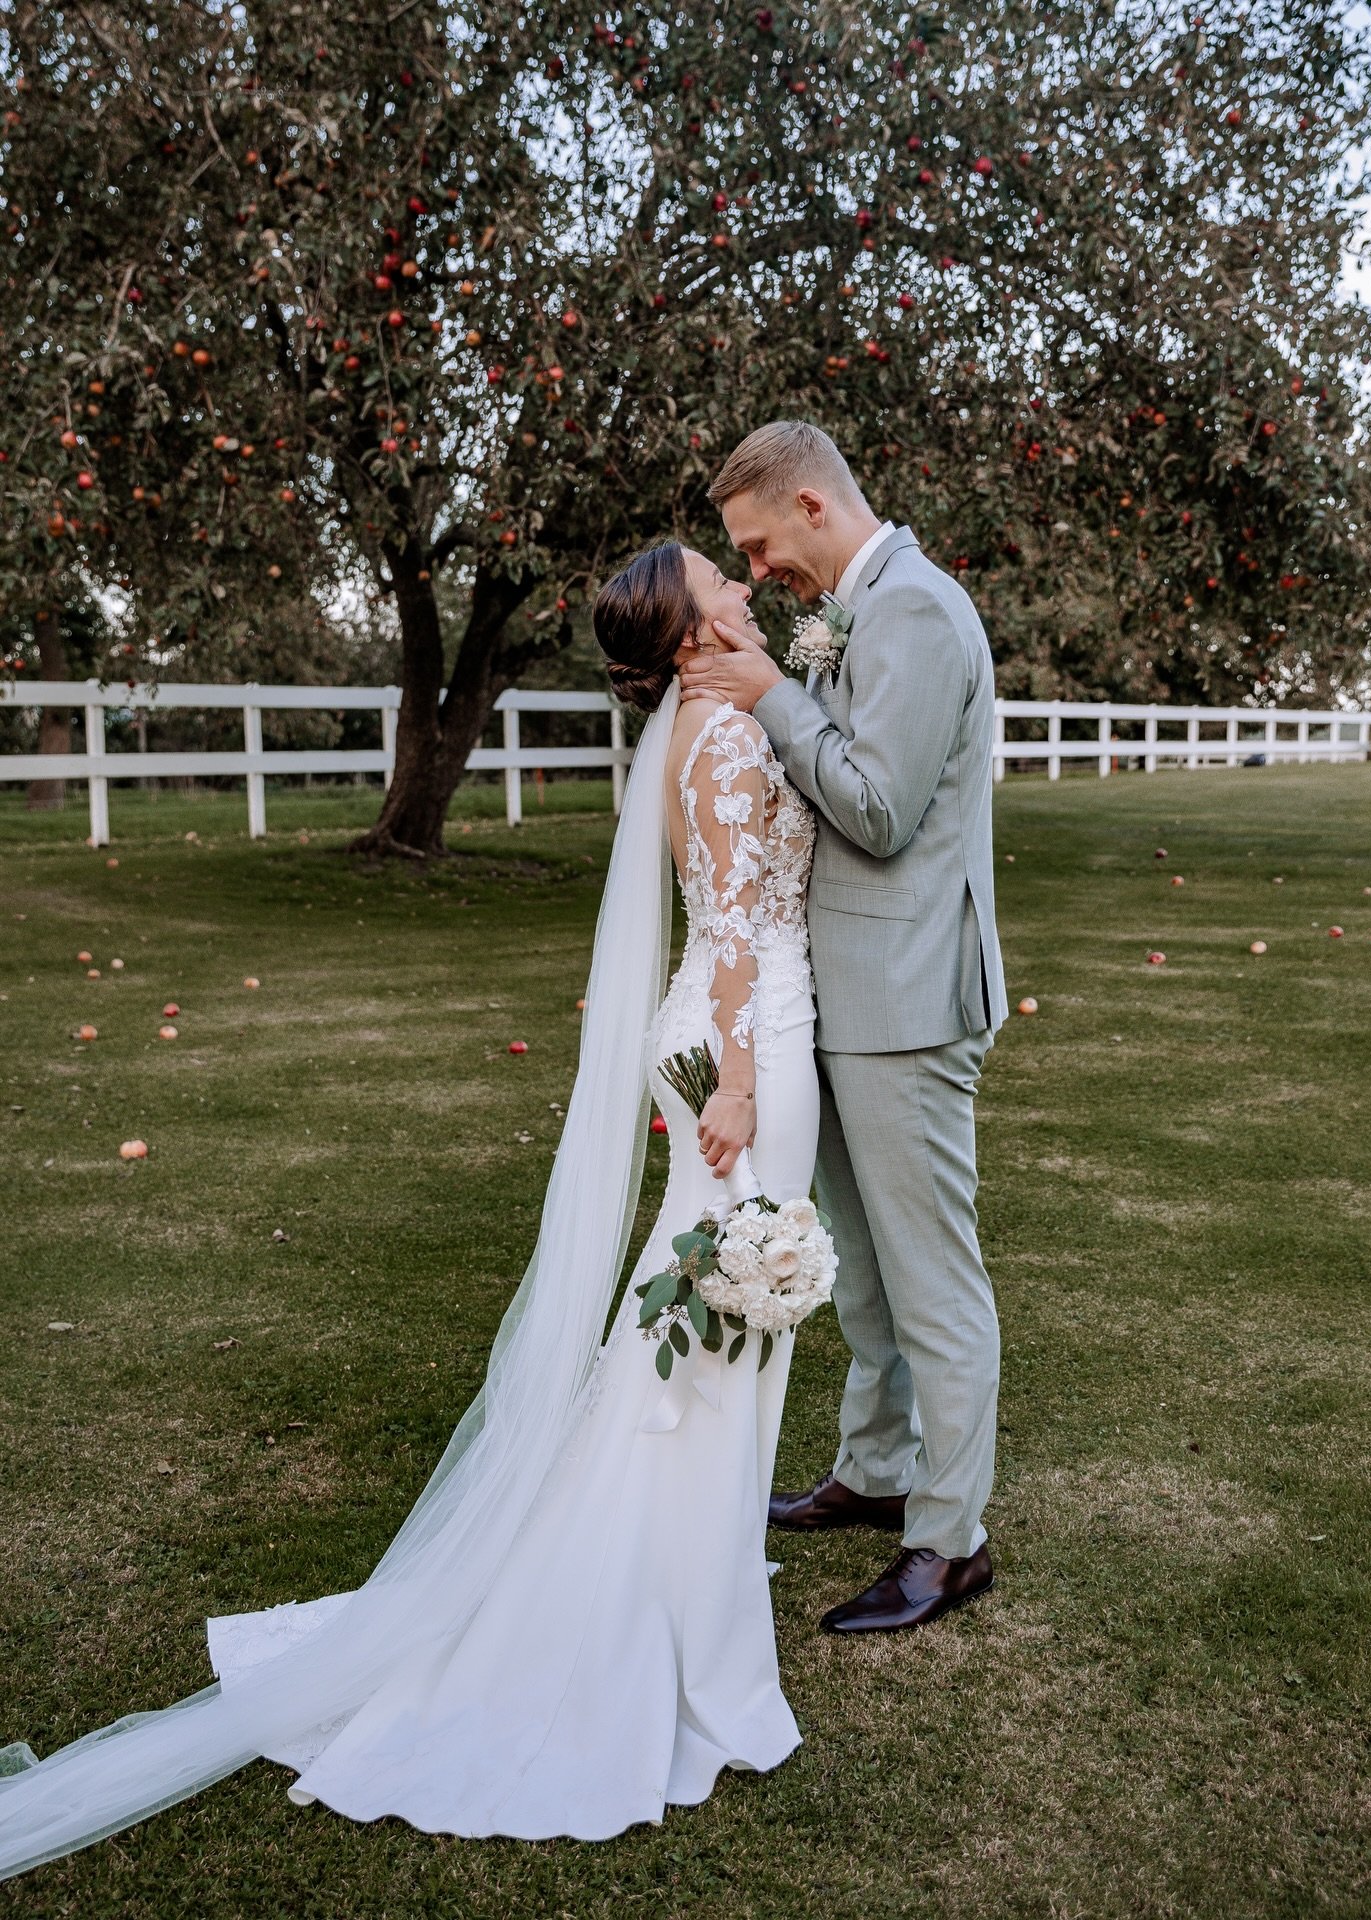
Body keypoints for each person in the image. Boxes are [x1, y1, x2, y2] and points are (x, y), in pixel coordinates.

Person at [0, 541, 819, 1880]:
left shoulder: (706, 723)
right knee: (724, 1305)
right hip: (747, 1051)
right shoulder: (723, 738)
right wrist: (736, 1081)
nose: (739, 583)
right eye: (716, 581)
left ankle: (681, 1559)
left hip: (740, 1036)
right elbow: (731, 927)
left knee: (697, 1310)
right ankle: (664, 1592)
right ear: (689, 635)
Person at [679, 419, 1008, 1635]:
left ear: (812, 507)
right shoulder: (850, 611)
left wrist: (773, 696)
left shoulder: (914, 610)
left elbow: (877, 809)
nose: (758, 572)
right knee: (864, 1270)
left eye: (760, 546)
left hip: (907, 999)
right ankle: (874, 1470)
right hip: (841, 993)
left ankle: (950, 1540)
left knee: (933, 1280)